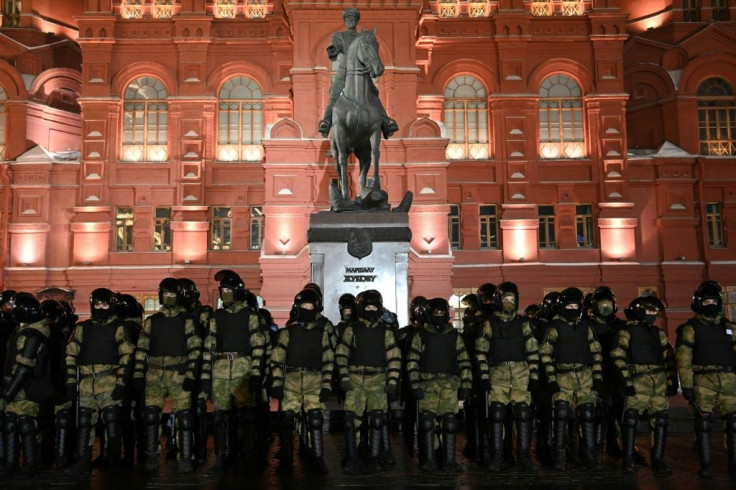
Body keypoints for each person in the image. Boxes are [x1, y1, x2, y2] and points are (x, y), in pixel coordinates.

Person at [132, 278, 202, 474]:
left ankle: (185, 458)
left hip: (178, 373)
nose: (169, 297)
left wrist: (191, 375)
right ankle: (152, 455)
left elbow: (195, 349)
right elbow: (141, 349)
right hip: (154, 374)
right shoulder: (152, 321)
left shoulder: (187, 321)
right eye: (166, 294)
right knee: (151, 416)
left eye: (172, 294)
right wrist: (138, 373)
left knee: (184, 418)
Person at [64, 288, 134, 476]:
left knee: (112, 420)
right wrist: (71, 382)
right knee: (84, 422)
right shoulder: (82, 328)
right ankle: (82, 460)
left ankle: (115, 460)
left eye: (104, 304)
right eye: (97, 304)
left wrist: (121, 384)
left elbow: (126, 356)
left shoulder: (119, 327)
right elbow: (70, 355)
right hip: (86, 382)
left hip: (109, 380)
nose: (101, 308)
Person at [200, 271, 266, 473]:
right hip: (220, 371)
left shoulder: (251, 316)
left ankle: (248, 457)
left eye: (228, 290)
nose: (225, 293)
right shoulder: (217, 317)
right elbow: (209, 347)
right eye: (223, 290)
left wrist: (256, 373)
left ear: (238, 292)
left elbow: (258, 346)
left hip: (242, 369)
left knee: (247, 416)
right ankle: (220, 458)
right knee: (219, 417)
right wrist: (205, 378)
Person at [474, 282, 539, 472]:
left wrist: (534, 376)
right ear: (498, 301)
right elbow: (480, 352)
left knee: (524, 414)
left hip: (520, 373)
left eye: (512, 299)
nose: (508, 302)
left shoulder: (524, 323)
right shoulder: (489, 323)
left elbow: (533, 351)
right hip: (498, 373)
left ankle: (524, 457)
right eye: (505, 299)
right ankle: (497, 457)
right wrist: (484, 377)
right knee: (496, 414)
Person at [269, 288, 334, 475]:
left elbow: (328, 360)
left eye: (310, 306)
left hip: (314, 380)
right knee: (287, 421)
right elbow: (277, 359)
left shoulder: (322, 333)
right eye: (304, 306)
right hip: (291, 380)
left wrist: (327, 384)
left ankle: (318, 459)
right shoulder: (287, 332)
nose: (307, 309)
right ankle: (286, 461)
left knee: (315, 419)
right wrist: (276, 383)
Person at [676, 280, 736, 478]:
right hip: (703, 381)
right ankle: (706, 465)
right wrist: (686, 385)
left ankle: (733, 465)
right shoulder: (690, 327)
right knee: (703, 423)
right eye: (706, 300)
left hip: (729, 380)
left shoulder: (730, 327)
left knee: (733, 423)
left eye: (713, 300)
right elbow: (683, 358)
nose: (710, 303)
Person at [611, 296, 677, 474]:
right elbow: (618, 357)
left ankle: (658, 460)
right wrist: (626, 382)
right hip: (637, 381)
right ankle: (629, 459)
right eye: (649, 311)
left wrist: (672, 381)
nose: (652, 315)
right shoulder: (626, 331)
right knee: (630, 420)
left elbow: (669, 357)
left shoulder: (658, 333)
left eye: (654, 312)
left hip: (659, 383)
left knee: (661, 420)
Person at [336, 290, 401, 473]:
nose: (370, 310)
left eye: (373, 306)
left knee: (377, 419)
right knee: (351, 421)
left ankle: (374, 456)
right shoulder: (352, 328)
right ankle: (352, 457)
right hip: (355, 378)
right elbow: (341, 354)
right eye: (367, 307)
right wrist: (343, 377)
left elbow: (394, 356)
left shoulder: (386, 330)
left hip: (378, 379)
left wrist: (393, 381)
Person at [539, 287, 603, 471]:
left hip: (584, 376)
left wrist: (597, 378)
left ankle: (588, 453)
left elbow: (597, 353)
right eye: (569, 305)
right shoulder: (554, 327)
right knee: (560, 414)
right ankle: (559, 454)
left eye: (576, 305)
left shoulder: (586, 327)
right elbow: (545, 354)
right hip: (562, 376)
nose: (572, 308)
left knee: (588, 414)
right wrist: (551, 380)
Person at [406, 298, 472, 472]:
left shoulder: (454, 336)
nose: (439, 316)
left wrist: (466, 384)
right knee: (427, 422)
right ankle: (428, 459)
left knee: (449, 423)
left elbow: (464, 360)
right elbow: (412, 361)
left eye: (442, 313)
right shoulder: (420, 336)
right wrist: (415, 385)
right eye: (436, 313)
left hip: (449, 384)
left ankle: (449, 460)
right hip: (427, 384)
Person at [318, 7, 398, 140]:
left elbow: (370, 53)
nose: (350, 20)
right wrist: (333, 49)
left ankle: (386, 122)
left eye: (353, 18)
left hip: (362, 74)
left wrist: (373, 68)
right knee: (334, 95)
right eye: (348, 18)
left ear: (356, 21)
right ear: (345, 21)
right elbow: (334, 46)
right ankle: (326, 122)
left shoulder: (363, 37)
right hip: (344, 72)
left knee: (374, 95)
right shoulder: (340, 36)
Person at [0, 292, 52, 476]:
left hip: (27, 387)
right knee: (10, 424)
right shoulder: (23, 330)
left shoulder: (33, 333)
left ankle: (31, 463)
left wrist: (8, 393)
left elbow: (24, 366)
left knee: (26, 424)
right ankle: (10, 463)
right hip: (16, 385)